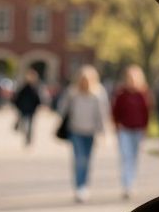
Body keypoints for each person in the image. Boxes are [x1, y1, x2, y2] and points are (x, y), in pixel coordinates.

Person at [57, 66, 107, 203]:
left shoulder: (98, 92)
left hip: (90, 132)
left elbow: (102, 114)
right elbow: (62, 108)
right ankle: (79, 187)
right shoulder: (72, 92)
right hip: (75, 130)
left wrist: (103, 131)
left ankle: (85, 185)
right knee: (79, 159)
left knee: (87, 160)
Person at [111, 65, 151, 200]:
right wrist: (116, 126)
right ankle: (127, 185)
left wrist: (146, 129)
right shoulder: (121, 94)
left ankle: (131, 182)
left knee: (134, 157)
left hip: (138, 130)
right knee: (126, 157)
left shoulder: (142, 94)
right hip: (124, 130)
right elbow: (115, 112)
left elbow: (146, 112)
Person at [13, 68, 47, 148]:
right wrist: (17, 106)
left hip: (32, 109)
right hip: (23, 108)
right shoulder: (24, 87)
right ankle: (26, 135)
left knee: (30, 125)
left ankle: (28, 139)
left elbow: (38, 98)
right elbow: (17, 98)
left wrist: (40, 105)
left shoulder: (36, 87)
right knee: (24, 124)